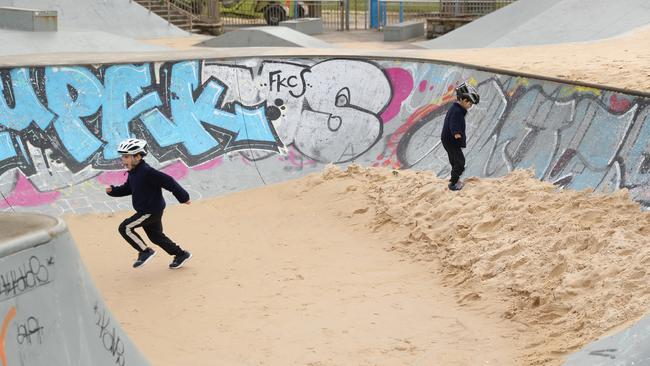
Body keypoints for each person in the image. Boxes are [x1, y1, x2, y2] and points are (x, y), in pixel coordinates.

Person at [106, 138, 192, 269]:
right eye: (123, 156)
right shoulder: (134, 172)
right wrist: (113, 191)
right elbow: (129, 188)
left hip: (149, 211)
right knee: (156, 237)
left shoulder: (147, 172)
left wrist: (183, 197)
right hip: (151, 210)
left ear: (138, 156)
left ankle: (145, 251)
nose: (123, 160)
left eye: (126, 156)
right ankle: (181, 255)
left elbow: (169, 182)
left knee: (125, 228)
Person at [440, 82, 480, 191]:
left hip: (448, 140)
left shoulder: (456, 109)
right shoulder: (457, 111)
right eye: (469, 103)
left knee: (454, 160)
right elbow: (453, 123)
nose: (470, 106)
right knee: (460, 162)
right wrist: (456, 133)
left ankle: (455, 179)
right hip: (452, 140)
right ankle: (453, 183)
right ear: (463, 100)